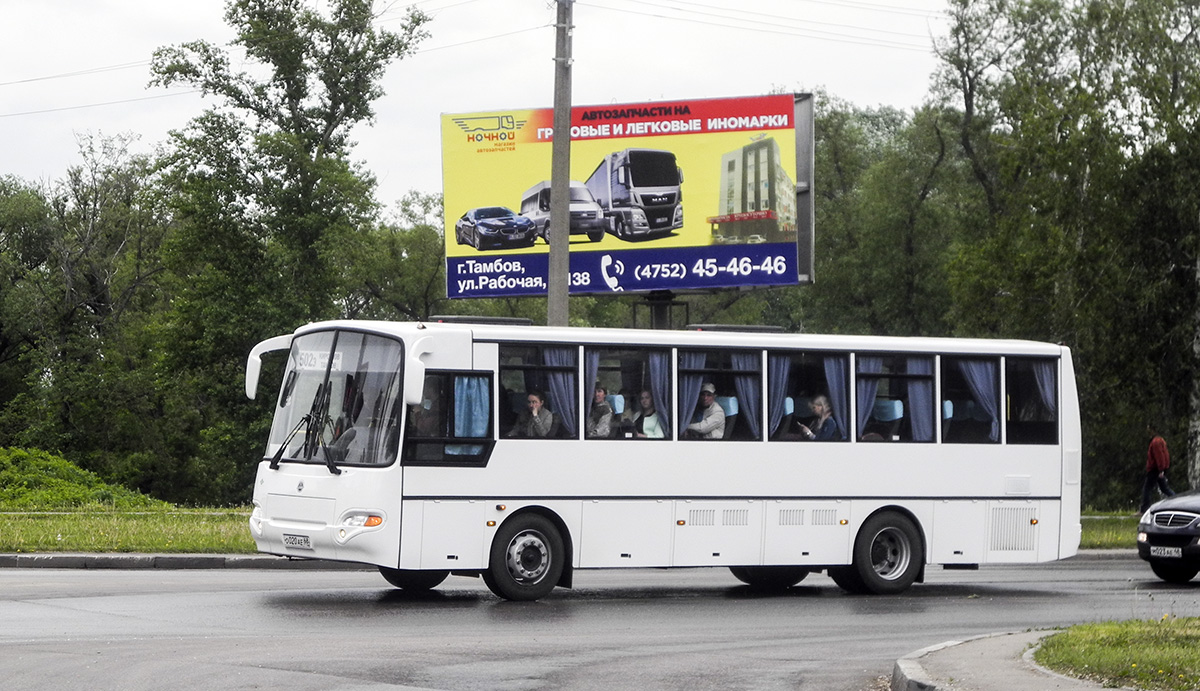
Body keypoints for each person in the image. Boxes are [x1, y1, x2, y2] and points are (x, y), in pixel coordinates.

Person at [1141, 423, 1176, 512]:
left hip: (1154, 469)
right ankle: (1176, 500)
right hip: (1159, 469)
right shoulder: (1161, 440)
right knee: (1164, 488)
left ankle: (1144, 509)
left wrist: (1161, 469)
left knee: (1147, 488)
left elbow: (1159, 456)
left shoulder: (1155, 442)